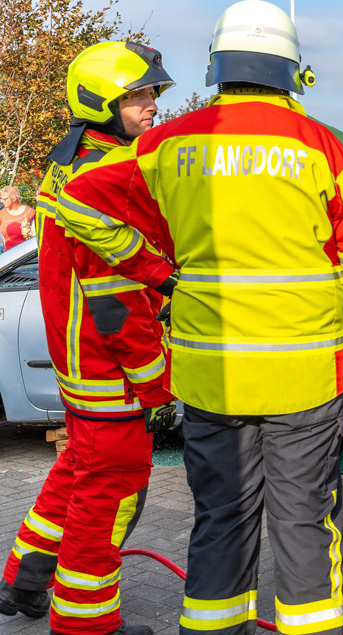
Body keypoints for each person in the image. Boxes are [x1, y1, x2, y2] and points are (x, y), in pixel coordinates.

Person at [58, 0, 343, 635]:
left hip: (211, 376)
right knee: (303, 523)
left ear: (218, 65)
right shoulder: (320, 145)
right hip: (304, 377)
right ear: (292, 69)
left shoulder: (168, 143)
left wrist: (155, 267)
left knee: (220, 520)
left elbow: (74, 202)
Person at [0, 41, 176, 635]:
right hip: (110, 369)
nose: (152, 106)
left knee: (77, 471)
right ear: (105, 102)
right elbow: (117, 298)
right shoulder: (114, 176)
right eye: (140, 96)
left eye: (151, 94)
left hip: (78, 363)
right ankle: (85, 625)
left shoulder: (70, 161)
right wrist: (157, 384)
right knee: (109, 496)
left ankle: (24, 581)